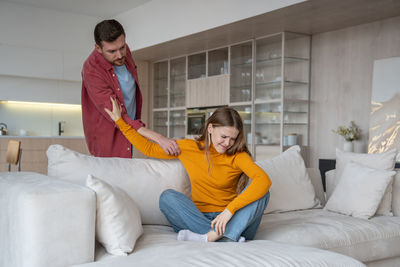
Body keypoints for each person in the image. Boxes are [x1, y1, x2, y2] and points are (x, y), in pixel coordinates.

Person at [105, 97, 271, 242]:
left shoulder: (238, 155)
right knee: (167, 197)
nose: (228, 143)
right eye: (224, 136)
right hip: (199, 218)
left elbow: (264, 180)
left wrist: (229, 211)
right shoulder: (190, 148)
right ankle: (225, 237)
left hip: (232, 219)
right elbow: (149, 148)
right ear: (210, 128)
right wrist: (120, 122)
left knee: (264, 192)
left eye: (233, 139)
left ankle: (212, 237)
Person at [81, 19, 179, 158]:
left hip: (131, 130)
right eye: (112, 51)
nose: (120, 55)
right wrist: (158, 138)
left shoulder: (125, 53)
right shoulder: (91, 70)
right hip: (108, 136)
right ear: (98, 48)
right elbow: (116, 115)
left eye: (122, 47)